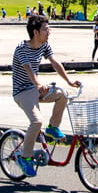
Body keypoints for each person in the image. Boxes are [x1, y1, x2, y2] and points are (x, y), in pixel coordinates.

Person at [11, 15, 80, 178]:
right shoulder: (21, 48)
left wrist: (69, 81)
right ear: (36, 32)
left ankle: (53, 127)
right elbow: (28, 69)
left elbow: (55, 63)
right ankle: (25, 157)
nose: (49, 31)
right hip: (23, 91)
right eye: (46, 29)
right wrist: (38, 85)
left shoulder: (44, 45)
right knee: (36, 122)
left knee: (62, 94)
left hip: (37, 89)